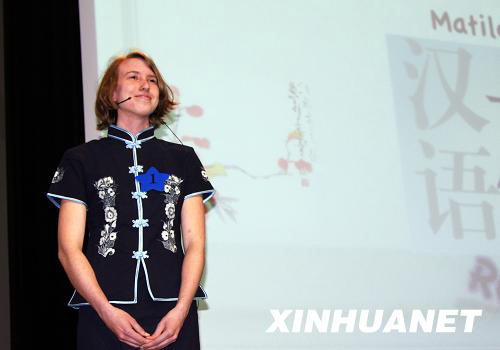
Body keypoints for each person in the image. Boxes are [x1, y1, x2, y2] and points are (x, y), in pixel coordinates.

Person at [47, 51, 215, 349]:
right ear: (112, 93)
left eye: (152, 80)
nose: (145, 85)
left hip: (172, 313)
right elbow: (68, 248)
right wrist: (105, 311)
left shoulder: (183, 159)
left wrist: (181, 310)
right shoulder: (81, 159)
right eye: (133, 77)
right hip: (104, 310)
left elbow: (195, 244)